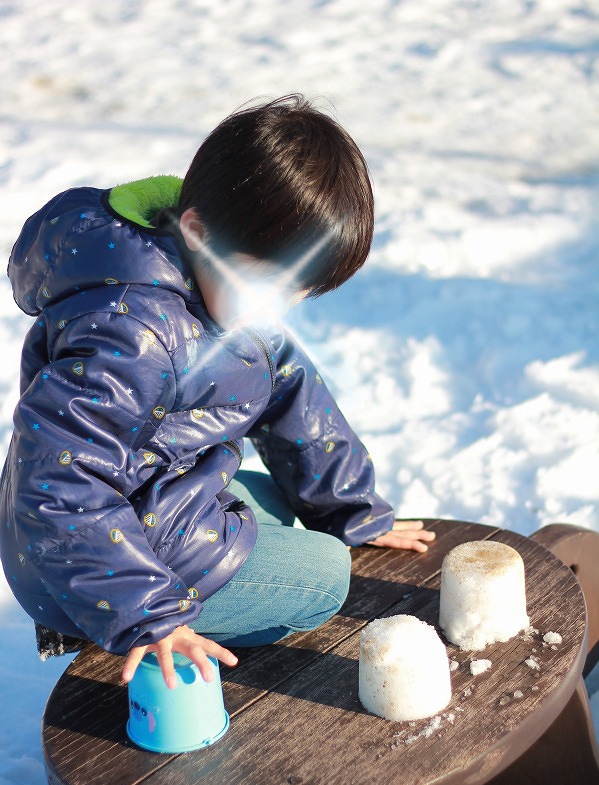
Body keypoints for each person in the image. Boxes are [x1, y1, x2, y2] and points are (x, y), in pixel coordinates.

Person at [0, 95, 435, 690]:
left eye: (299, 290)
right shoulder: (132, 336)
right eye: (270, 283)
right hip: (78, 560)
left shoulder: (218, 282)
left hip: (154, 500)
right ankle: (124, 633)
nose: (278, 308)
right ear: (198, 231)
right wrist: (144, 614)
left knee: (268, 497)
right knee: (323, 578)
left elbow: (290, 387)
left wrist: (351, 510)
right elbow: (59, 486)